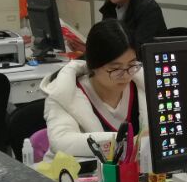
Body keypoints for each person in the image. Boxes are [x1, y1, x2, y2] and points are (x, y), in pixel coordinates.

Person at [40, 19, 148, 157]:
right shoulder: (64, 91)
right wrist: (127, 143)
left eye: (132, 65)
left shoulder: (142, 84)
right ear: (93, 65)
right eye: (115, 69)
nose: (126, 75)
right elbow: (61, 142)